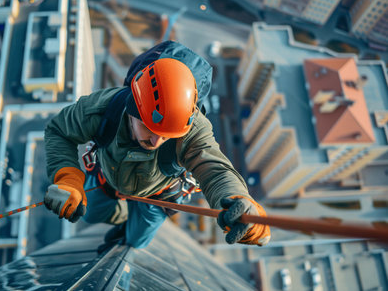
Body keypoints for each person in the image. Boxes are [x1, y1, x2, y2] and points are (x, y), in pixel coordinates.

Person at [43, 44, 270, 249]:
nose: (156, 142)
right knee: (90, 214)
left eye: (166, 136)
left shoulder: (192, 127)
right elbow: (59, 131)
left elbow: (214, 170)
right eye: (149, 128)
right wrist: (68, 177)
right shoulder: (103, 108)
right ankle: (123, 217)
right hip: (108, 178)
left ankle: (128, 233)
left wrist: (240, 202)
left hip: (159, 196)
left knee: (137, 242)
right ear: (133, 106)